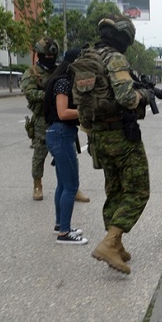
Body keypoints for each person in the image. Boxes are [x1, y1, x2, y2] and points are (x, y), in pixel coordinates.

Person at [72, 14, 162, 275]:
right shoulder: (114, 58)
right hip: (121, 137)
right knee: (138, 191)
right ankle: (110, 242)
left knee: (114, 190)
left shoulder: (88, 58)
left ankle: (117, 244)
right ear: (123, 37)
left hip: (97, 136)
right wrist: (145, 94)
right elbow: (126, 98)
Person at [21, 38, 91, 204]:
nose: (50, 58)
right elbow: (30, 93)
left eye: (53, 55)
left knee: (69, 154)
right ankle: (37, 184)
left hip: (63, 119)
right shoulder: (32, 73)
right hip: (42, 120)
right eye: (47, 55)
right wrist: (53, 95)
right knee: (40, 154)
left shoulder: (60, 70)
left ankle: (73, 187)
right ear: (40, 54)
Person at [44, 47, 88, 245]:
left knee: (63, 184)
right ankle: (64, 232)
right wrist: (86, 111)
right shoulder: (63, 82)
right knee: (71, 186)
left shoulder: (61, 79)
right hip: (61, 134)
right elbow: (63, 113)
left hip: (59, 134)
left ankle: (59, 224)